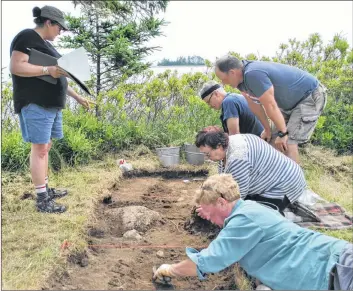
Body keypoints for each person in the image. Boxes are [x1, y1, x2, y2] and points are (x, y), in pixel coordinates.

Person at [152, 174, 353, 290]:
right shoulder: (250, 209)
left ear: (222, 202)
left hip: (337, 269)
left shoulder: (244, 220)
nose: (209, 219)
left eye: (210, 213)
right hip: (330, 268)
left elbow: (208, 261)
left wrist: (169, 269)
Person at [10, 5, 95, 213]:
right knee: (39, 149)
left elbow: (58, 76)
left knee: (45, 147)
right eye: (60, 27)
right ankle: (42, 200)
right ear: (48, 22)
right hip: (35, 104)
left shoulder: (45, 45)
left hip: (51, 106)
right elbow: (16, 66)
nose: (61, 31)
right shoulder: (26, 37)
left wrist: (78, 97)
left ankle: (45, 189)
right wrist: (48, 69)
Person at [215, 55, 327, 164]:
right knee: (272, 141)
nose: (223, 83)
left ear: (232, 73)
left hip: (309, 97)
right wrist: (267, 130)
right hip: (288, 104)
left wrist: (283, 134)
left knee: (287, 143)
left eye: (222, 79)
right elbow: (255, 106)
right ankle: (277, 179)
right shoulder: (240, 81)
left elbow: (271, 106)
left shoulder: (252, 75)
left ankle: (294, 182)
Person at [195, 126, 306, 212]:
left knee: (253, 217)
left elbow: (236, 197)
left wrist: (213, 209)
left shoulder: (238, 159)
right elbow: (224, 182)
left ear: (218, 146)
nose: (206, 158)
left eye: (207, 154)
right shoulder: (227, 145)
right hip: (270, 178)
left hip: (285, 184)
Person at [199, 80, 263, 136]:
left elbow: (234, 135)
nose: (210, 106)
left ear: (216, 94)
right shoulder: (236, 97)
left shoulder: (229, 102)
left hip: (255, 145)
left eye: (208, 102)